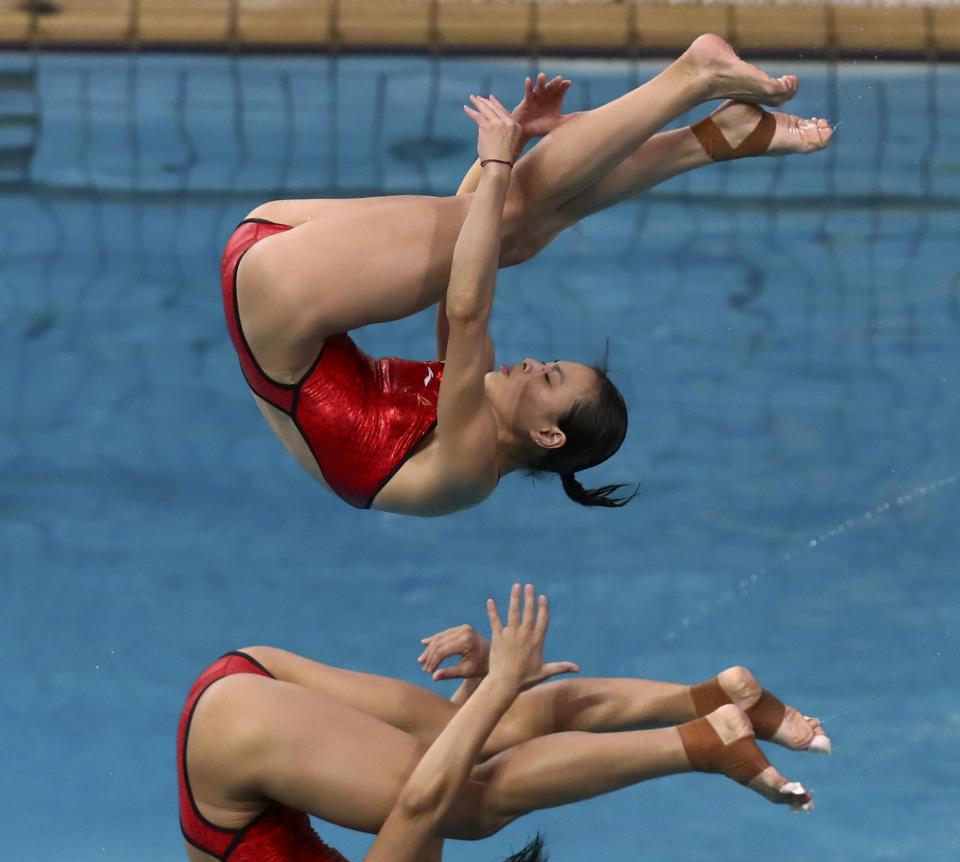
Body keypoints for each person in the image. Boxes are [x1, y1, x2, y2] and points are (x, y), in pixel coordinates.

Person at [221, 35, 833, 515]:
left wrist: (499, 162)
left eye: (550, 379)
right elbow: (464, 270)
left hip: (279, 292)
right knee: (515, 231)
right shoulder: (476, 410)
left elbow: (465, 307)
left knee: (511, 220)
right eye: (552, 365)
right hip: (278, 283)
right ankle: (711, 136)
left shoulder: (465, 472)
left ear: (547, 434)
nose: (536, 363)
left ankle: (696, 82)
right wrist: (503, 159)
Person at [178, 585, 830, 862]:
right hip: (248, 696)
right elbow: (441, 763)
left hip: (233, 727)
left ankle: (701, 744)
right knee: (490, 746)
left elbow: (417, 806)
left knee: (469, 802)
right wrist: (493, 683)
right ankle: (709, 699)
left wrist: (499, 687)